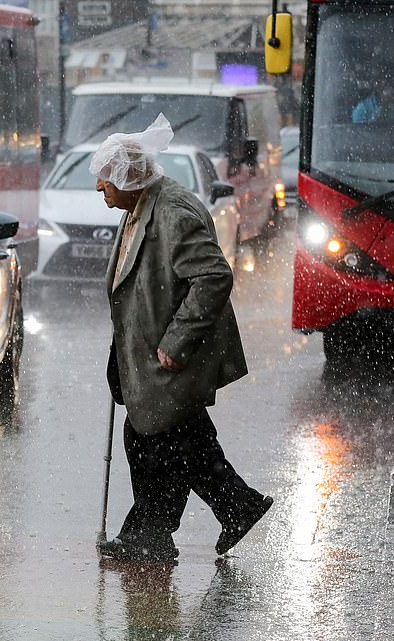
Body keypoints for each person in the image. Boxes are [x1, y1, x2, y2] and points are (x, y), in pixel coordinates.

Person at [91, 113, 273, 563]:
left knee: (154, 441)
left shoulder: (172, 213)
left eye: (105, 179)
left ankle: (150, 536)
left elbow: (212, 277)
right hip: (147, 356)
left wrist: (176, 342)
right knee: (181, 442)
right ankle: (235, 507)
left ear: (130, 176)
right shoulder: (138, 208)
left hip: (171, 356)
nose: (99, 188)